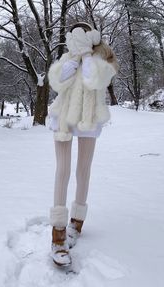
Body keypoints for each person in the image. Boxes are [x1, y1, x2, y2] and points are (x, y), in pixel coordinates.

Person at [47, 22, 119, 267]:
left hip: (90, 118)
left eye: (82, 35)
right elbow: (58, 81)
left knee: (83, 171)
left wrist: (87, 55)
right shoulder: (68, 57)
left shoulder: (102, 60)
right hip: (63, 117)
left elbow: (92, 80)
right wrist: (75, 57)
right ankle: (58, 234)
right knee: (63, 170)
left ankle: (76, 223)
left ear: (92, 38)